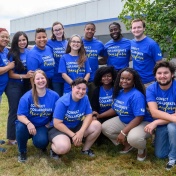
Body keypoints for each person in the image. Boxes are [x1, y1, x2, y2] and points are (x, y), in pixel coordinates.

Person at [101, 68, 152, 161]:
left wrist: (123, 132)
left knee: (134, 138)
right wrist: (99, 116)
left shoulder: (137, 95)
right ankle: (128, 144)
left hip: (142, 123)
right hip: (124, 120)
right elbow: (114, 109)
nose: (124, 81)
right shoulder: (120, 92)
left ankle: (141, 150)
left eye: (128, 79)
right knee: (104, 127)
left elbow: (139, 118)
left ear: (134, 81)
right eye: (122, 78)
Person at [48, 78, 101, 159]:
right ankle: (54, 150)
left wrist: (81, 132)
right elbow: (57, 123)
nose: (81, 91)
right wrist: (73, 135)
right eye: (78, 88)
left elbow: (89, 115)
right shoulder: (62, 102)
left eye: (84, 89)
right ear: (72, 87)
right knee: (63, 148)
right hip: (59, 129)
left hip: (76, 126)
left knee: (97, 125)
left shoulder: (85, 98)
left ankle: (85, 150)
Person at [16, 69, 59, 162]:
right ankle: (22, 151)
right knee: (20, 127)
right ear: (34, 81)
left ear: (46, 79)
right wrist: (28, 123)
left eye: (42, 78)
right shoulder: (26, 97)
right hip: (27, 125)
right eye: (37, 79)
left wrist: (49, 124)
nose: (40, 81)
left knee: (41, 142)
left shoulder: (54, 96)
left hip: (41, 125)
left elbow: (57, 114)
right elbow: (20, 115)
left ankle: (41, 143)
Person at [144, 61, 176, 170]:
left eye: (166, 73)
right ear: (155, 76)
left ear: (172, 74)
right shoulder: (151, 89)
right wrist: (172, 118)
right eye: (159, 73)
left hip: (169, 123)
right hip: (166, 122)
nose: (162, 76)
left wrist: (156, 122)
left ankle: (173, 158)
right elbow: (154, 112)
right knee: (160, 154)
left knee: (172, 127)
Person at [5, 31, 34, 145]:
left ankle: (22, 135)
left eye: (24, 40)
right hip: (13, 85)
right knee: (14, 110)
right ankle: (11, 138)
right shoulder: (12, 53)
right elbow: (11, 74)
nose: (22, 42)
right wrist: (25, 76)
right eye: (19, 40)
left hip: (25, 85)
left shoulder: (29, 51)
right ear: (16, 42)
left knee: (24, 110)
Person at [131, 19, 162, 87]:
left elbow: (159, 64)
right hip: (136, 81)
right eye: (134, 28)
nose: (136, 30)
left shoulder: (152, 44)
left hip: (149, 82)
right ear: (131, 30)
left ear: (144, 28)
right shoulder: (131, 43)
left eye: (139, 27)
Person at [0, 28, 15, 152]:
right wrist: (9, 67)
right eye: (2, 37)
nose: (5, 39)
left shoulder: (5, 51)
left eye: (7, 37)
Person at [82, 22, 104, 100]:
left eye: (92, 29)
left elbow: (106, 58)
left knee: (93, 101)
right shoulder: (78, 42)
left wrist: (95, 62)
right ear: (84, 30)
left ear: (95, 31)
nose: (90, 31)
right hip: (80, 78)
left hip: (93, 79)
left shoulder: (99, 44)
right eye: (88, 29)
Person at [47, 22, 68, 96]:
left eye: (59, 29)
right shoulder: (49, 42)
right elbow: (36, 46)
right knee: (57, 98)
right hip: (56, 77)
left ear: (63, 29)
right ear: (53, 32)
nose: (58, 32)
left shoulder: (67, 43)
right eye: (56, 30)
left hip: (67, 76)